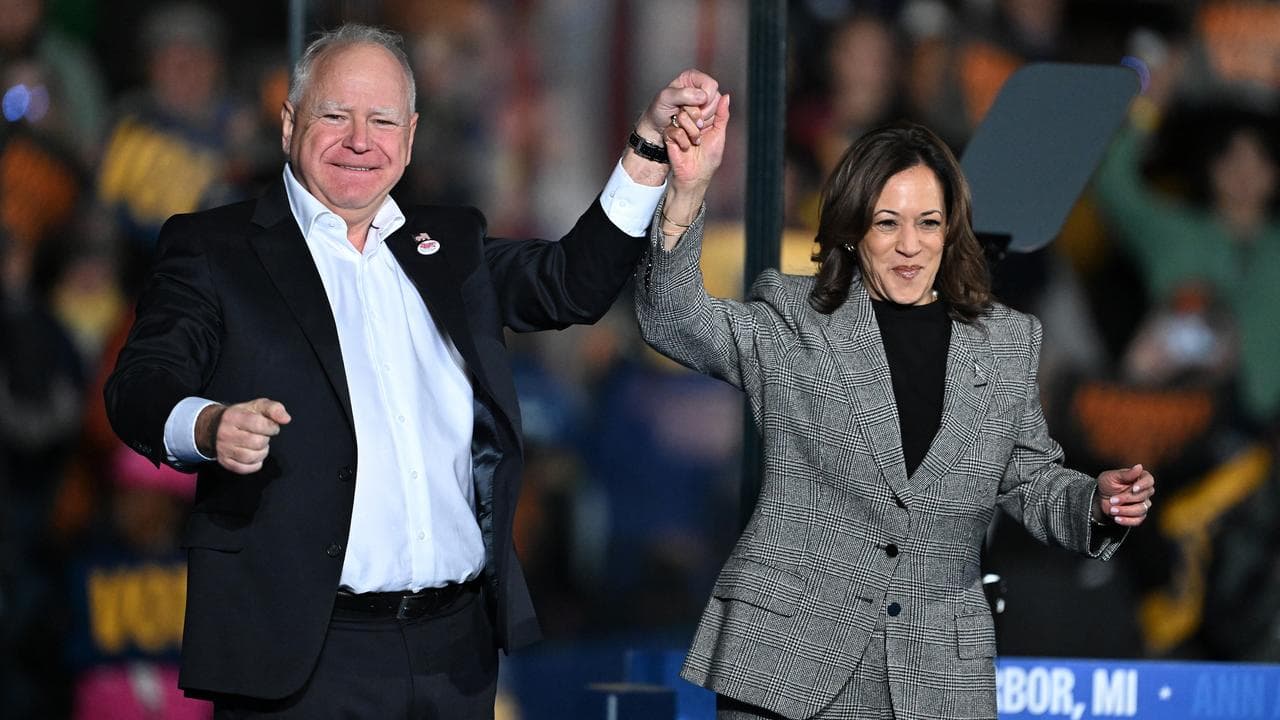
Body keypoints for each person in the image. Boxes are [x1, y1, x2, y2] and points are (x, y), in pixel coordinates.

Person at [104, 22, 721, 718]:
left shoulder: (449, 246)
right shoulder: (214, 249)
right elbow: (139, 383)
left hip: (453, 658)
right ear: (289, 124)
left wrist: (648, 146)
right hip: (299, 661)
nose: (359, 140)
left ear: (412, 133)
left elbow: (570, 283)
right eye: (335, 116)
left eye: (382, 120)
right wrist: (207, 425)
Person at [636, 120, 1156, 719]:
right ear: (853, 229)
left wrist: (1095, 503)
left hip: (938, 678)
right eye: (888, 223)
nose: (911, 245)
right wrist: (686, 194)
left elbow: (1029, 478)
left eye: (928, 223)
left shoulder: (1007, 342)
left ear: (951, 230)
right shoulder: (796, 322)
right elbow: (673, 318)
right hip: (790, 659)